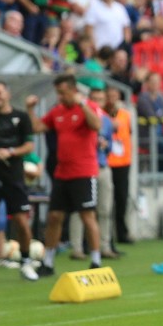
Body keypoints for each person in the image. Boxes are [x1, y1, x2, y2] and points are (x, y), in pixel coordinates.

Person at [26, 74, 104, 276]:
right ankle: (48, 262)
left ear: (73, 90)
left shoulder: (87, 107)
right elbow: (36, 128)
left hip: (84, 172)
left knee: (87, 216)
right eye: (58, 93)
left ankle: (96, 261)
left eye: (63, 92)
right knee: (54, 216)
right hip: (62, 172)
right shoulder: (58, 112)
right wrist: (30, 110)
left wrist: (83, 104)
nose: (60, 97)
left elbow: (96, 125)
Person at [68, 88, 118, 260]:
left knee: (105, 209)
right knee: (80, 209)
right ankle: (77, 248)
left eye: (101, 99)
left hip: (102, 166)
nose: (97, 102)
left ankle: (104, 246)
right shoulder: (78, 116)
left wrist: (105, 146)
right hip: (83, 168)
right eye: (94, 99)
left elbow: (111, 146)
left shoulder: (107, 121)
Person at [0, 81, 39, 281]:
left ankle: (26, 261)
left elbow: (29, 145)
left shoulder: (21, 117)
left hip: (13, 176)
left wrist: (11, 151)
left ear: (8, 94)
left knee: (21, 221)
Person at [105, 85, 134, 250]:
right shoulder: (102, 115)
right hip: (108, 162)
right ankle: (108, 236)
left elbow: (128, 134)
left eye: (115, 95)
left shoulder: (125, 114)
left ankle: (122, 232)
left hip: (123, 161)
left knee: (122, 198)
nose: (112, 98)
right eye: (110, 95)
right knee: (107, 201)